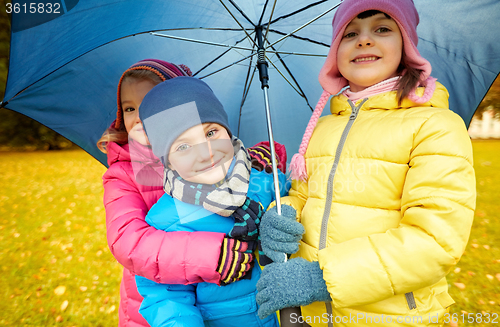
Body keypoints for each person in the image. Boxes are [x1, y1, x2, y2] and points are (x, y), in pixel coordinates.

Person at [255, 0, 476, 326]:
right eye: (350, 33)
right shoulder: (323, 126)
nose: (364, 40)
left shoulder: (435, 127)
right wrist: (283, 212)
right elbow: (305, 195)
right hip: (311, 315)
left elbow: (434, 240)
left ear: (407, 46)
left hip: (389, 316)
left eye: (382, 29)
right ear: (335, 53)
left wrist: (322, 278)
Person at [99, 59, 259, 327]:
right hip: (154, 291)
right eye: (129, 108)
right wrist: (210, 255)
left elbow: (227, 154)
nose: (139, 116)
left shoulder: (207, 152)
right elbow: (128, 242)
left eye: (150, 104)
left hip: (219, 294)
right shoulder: (122, 173)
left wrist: (265, 155)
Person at [135, 76, 287, 326]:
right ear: (168, 161)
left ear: (228, 131)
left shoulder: (266, 182)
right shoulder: (166, 221)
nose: (206, 152)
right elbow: (166, 300)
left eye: (211, 132)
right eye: (183, 146)